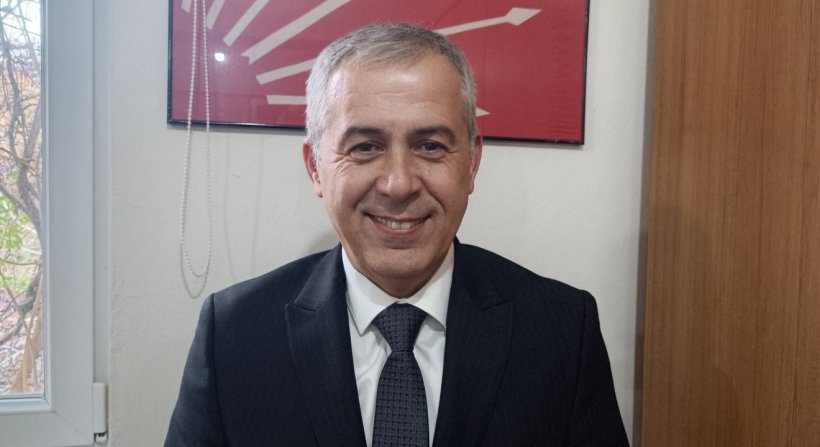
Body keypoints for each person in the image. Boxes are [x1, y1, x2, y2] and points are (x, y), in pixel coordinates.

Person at [165, 22, 629, 447]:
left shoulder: (561, 331)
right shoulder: (234, 334)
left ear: (471, 162)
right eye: (365, 147)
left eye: (430, 146)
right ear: (315, 168)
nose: (399, 184)